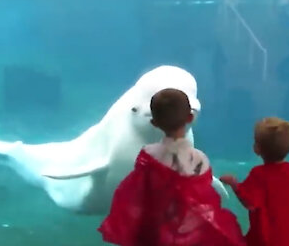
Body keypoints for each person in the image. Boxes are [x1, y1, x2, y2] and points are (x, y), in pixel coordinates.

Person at [99, 88, 246, 246]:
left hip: (157, 228)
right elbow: (204, 193)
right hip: (188, 231)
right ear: (190, 117)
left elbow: (138, 189)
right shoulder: (198, 158)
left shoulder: (148, 154)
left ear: (154, 122)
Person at [220, 117, 289, 246]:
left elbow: (250, 204)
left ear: (257, 149)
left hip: (264, 241)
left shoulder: (258, 174)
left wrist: (234, 184)